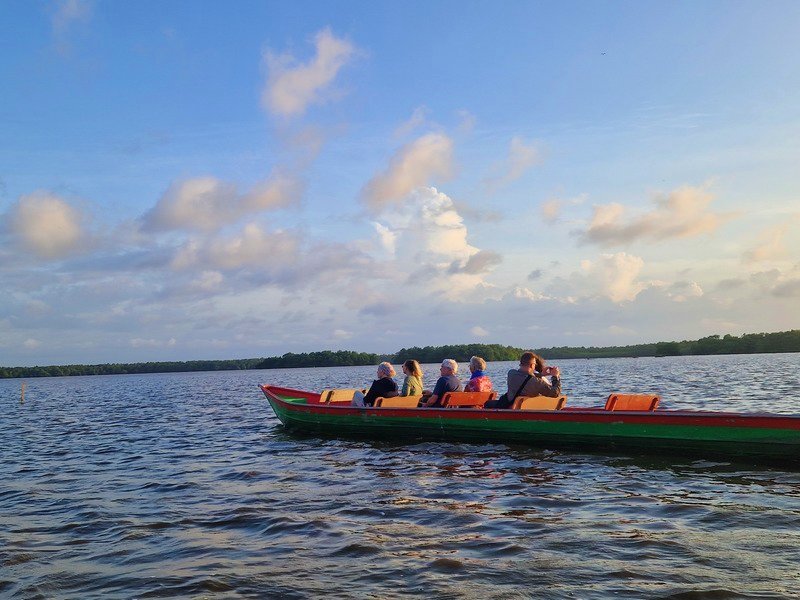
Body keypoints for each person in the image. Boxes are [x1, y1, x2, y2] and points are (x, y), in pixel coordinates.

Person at [486, 351, 561, 409]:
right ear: (532, 365)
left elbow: (524, 377)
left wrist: (541, 375)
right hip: (527, 409)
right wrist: (555, 377)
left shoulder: (511, 373)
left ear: (521, 363)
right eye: (535, 365)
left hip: (510, 407)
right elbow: (555, 393)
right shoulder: (537, 382)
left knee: (488, 403)